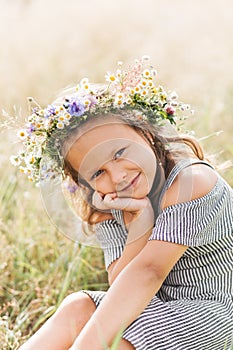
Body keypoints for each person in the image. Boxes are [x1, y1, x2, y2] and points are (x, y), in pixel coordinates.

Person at [12, 57, 233, 350]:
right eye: (98, 172)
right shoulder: (110, 203)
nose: (117, 176)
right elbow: (120, 287)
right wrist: (139, 222)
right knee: (78, 307)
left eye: (119, 152)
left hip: (212, 312)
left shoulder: (192, 182)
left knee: (118, 341)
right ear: (84, 184)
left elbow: (148, 272)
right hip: (154, 306)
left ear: (144, 131)